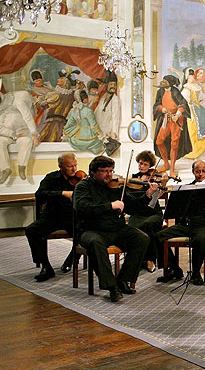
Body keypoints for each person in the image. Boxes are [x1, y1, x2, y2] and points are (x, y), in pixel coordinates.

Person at [73, 155, 156, 302]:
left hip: (115, 228)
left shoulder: (116, 187)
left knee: (141, 238)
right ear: (93, 172)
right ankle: (112, 287)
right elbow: (82, 208)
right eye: (104, 171)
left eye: (111, 171)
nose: (109, 175)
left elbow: (132, 207)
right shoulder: (83, 187)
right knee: (95, 243)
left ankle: (123, 280)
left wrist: (148, 195)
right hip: (91, 229)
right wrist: (109, 206)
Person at [156, 160, 205, 286]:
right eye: (197, 171)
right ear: (193, 172)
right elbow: (177, 210)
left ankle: (196, 272)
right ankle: (174, 268)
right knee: (158, 236)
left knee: (200, 239)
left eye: (203, 171)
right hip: (186, 225)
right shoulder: (186, 189)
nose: (200, 174)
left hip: (204, 226)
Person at [25, 153, 78, 281]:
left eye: (75, 165)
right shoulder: (51, 178)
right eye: (70, 166)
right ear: (60, 166)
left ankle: (71, 260)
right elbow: (40, 195)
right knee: (31, 230)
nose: (74, 169)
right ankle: (46, 266)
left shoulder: (81, 179)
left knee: (84, 233)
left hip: (72, 216)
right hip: (52, 216)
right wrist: (62, 193)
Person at [128, 150, 165, 273]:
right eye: (140, 163)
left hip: (153, 213)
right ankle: (137, 259)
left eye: (144, 164)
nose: (141, 166)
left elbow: (156, 197)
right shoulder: (133, 179)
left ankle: (150, 259)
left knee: (148, 225)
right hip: (138, 213)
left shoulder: (154, 179)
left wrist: (162, 182)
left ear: (150, 166)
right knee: (133, 228)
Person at [153, 75, 192, 178]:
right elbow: (156, 104)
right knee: (159, 141)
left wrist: (178, 114)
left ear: (170, 83)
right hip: (165, 120)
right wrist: (162, 109)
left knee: (174, 145)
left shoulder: (175, 92)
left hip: (176, 121)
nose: (162, 82)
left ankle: (172, 169)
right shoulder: (160, 92)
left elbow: (183, 104)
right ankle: (166, 163)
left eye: (164, 81)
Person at [0, 80, 37, 183]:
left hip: (23, 131)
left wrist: (34, 133)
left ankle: (22, 166)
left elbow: (28, 117)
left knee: (26, 141)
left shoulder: (17, 100)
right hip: (8, 133)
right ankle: (5, 169)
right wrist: (12, 134)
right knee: (0, 142)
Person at [63, 89, 104, 154]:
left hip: (76, 140)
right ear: (85, 99)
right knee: (99, 144)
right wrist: (101, 135)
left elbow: (68, 125)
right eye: (86, 96)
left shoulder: (74, 111)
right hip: (89, 139)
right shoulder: (88, 111)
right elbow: (94, 126)